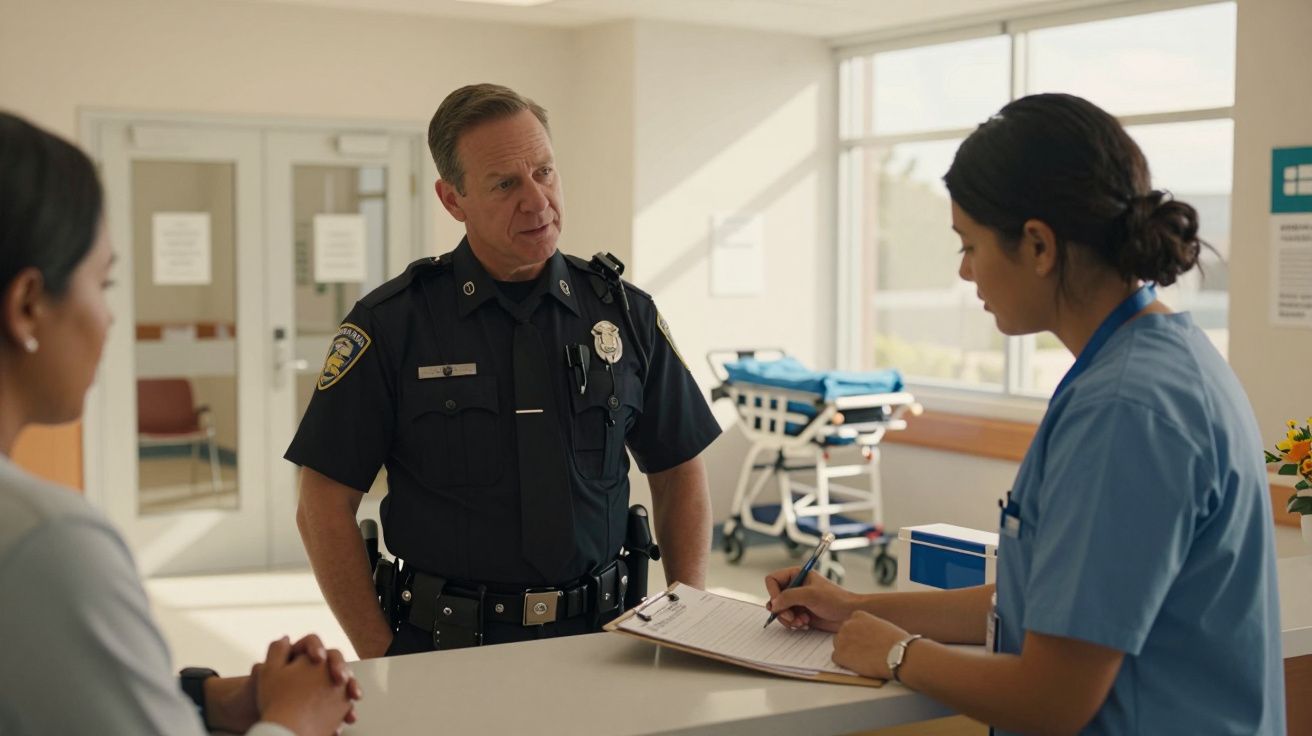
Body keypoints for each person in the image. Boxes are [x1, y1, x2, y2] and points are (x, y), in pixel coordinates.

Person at [765, 93, 1285, 735]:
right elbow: (1042, 603)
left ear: (1038, 245)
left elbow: (1053, 699)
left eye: (970, 244)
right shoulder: (1163, 361)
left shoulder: (1125, 412)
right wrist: (854, 608)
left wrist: (898, 654)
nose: (964, 271)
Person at [287, 83, 720, 658]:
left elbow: (678, 469)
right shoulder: (394, 325)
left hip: (607, 640)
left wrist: (685, 613)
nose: (537, 201)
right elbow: (321, 504)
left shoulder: (623, 313)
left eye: (544, 172)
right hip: (445, 649)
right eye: (505, 184)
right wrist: (380, 653)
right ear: (452, 199)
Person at [0, 111, 364, 734]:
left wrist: (204, 701)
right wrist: (294, 719)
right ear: (29, 305)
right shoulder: (45, 542)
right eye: (104, 281)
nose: (111, 319)